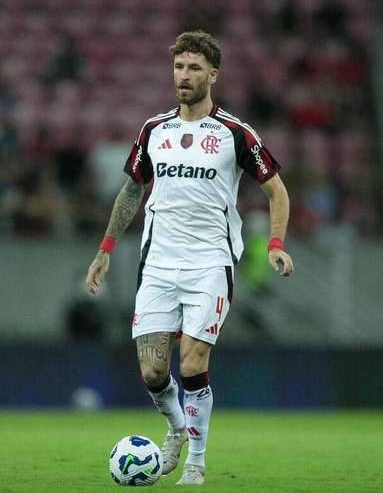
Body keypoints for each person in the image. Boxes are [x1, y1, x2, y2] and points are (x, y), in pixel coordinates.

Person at [85, 30, 294, 486]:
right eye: (179, 67)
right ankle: (178, 431)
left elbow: (277, 192)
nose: (184, 75)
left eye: (194, 68)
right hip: (157, 264)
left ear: (213, 74)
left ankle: (196, 463)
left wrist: (275, 244)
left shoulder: (235, 134)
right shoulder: (153, 131)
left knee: (193, 364)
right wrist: (105, 249)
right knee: (153, 369)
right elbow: (131, 190)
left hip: (209, 264)